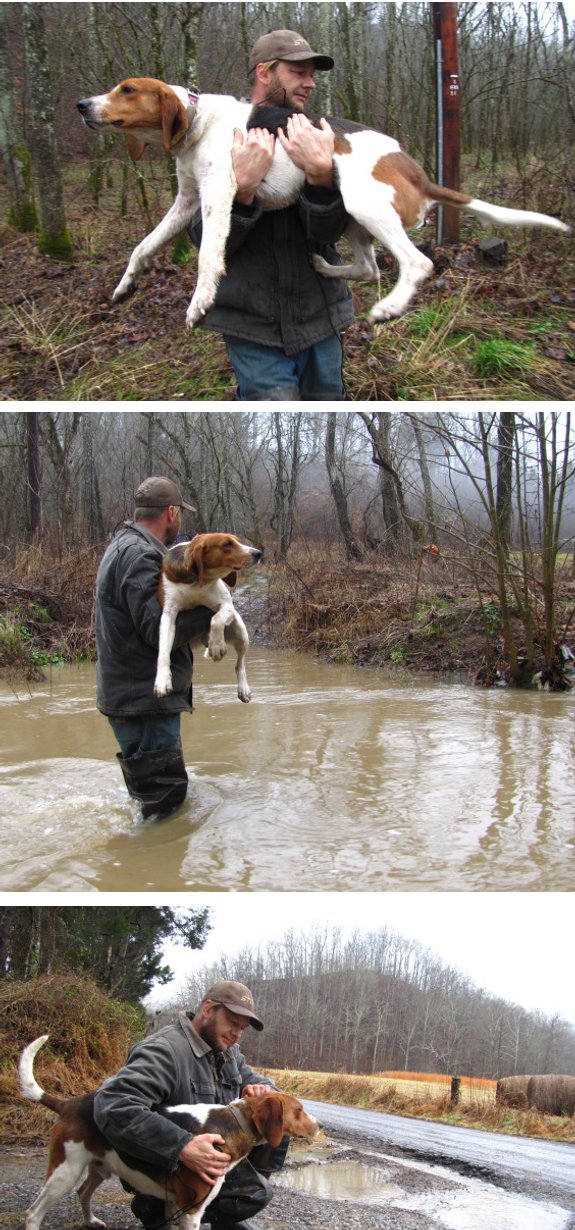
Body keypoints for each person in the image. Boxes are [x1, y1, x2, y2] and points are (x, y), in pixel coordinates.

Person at [188, 28, 355, 401]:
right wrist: (243, 190)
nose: (310, 84)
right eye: (298, 72)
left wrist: (320, 176)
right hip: (251, 324)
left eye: (312, 74)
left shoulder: (317, 136)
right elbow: (204, 240)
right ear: (265, 73)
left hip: (320, 318)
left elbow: (329, 234)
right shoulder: (220, 137)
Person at [93, 981, 286, 1230]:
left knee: (277, 1129)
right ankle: (156, 1209)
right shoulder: (164, 1051)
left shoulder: (228, 1051)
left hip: (208, 1154)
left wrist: (265, 1091)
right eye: (233, 1022)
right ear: (208, 1009)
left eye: (242, 1028)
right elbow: (114, 1105)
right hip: (162, 1163)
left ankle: (226, 1219)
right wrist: (181, 1146)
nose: (237, 1034)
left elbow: (258, 1081)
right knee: (256, 1194)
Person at [95, 475, 212, 819]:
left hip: (132, 697)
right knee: (165, 809)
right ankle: (150, 869)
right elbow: (154, 629)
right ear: (172, 512)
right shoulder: (142, 555)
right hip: (144, 702)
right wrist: (211, 607)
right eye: (181, 514)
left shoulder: (124, 544)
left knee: (152, 802)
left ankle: (140, 863)